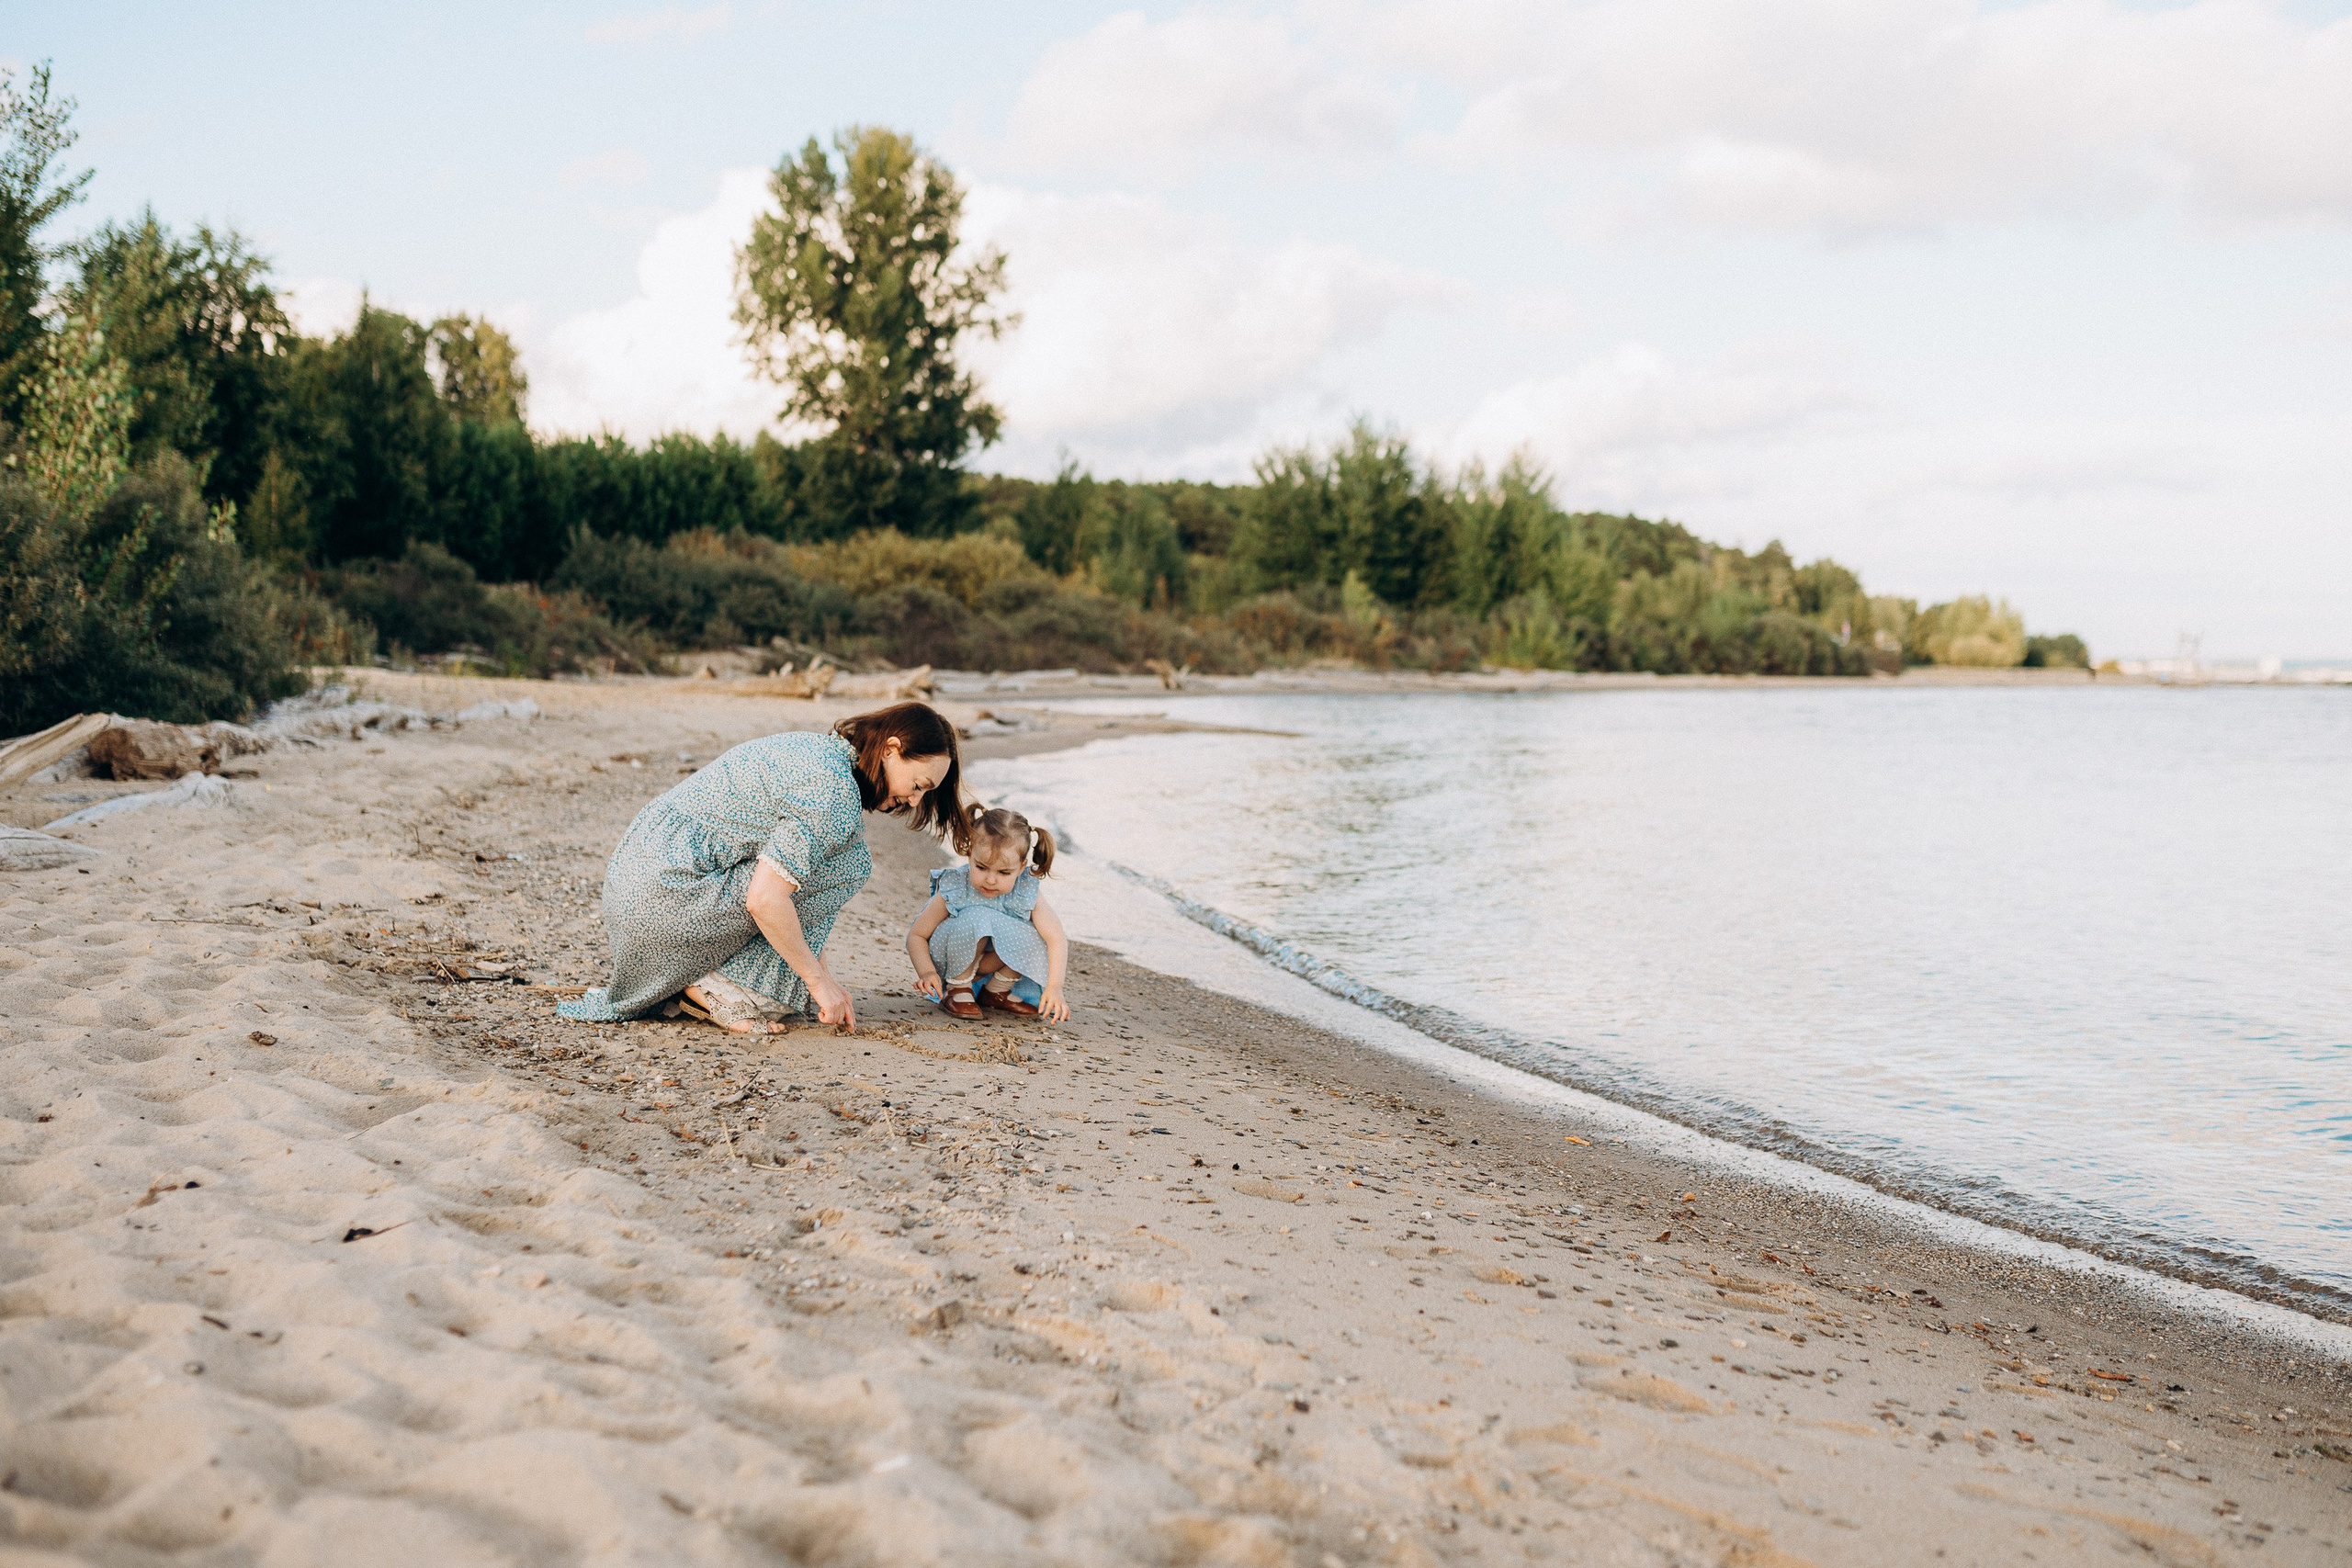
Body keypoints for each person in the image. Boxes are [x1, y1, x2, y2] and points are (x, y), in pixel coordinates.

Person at [558, 703, 967, 1033]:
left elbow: (795, 877)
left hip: (638, 890)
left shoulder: (820, 753)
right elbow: (764, 897)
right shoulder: (831, 793)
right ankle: (714, 983)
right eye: (918, 785)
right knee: (851, 861)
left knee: (839, 856)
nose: (914, 801)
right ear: (892, 749)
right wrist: (817, 982)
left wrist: (820, 972)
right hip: (662, 902)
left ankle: (712, 976)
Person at [906, 805, 1070, 1022]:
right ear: (970, 855)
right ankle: (958, 989)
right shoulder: (957, 885)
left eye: (1003, 872)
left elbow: (1057, 939)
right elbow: (917, 935)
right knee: (979, 917)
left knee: (1041, 935)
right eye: (981, 867)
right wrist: (927, 973)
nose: (991, 880)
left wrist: (1055, 987)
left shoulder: (1025, 890)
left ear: (1021, 868)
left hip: (989, 965)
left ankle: (996, 991)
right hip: (951, 959)